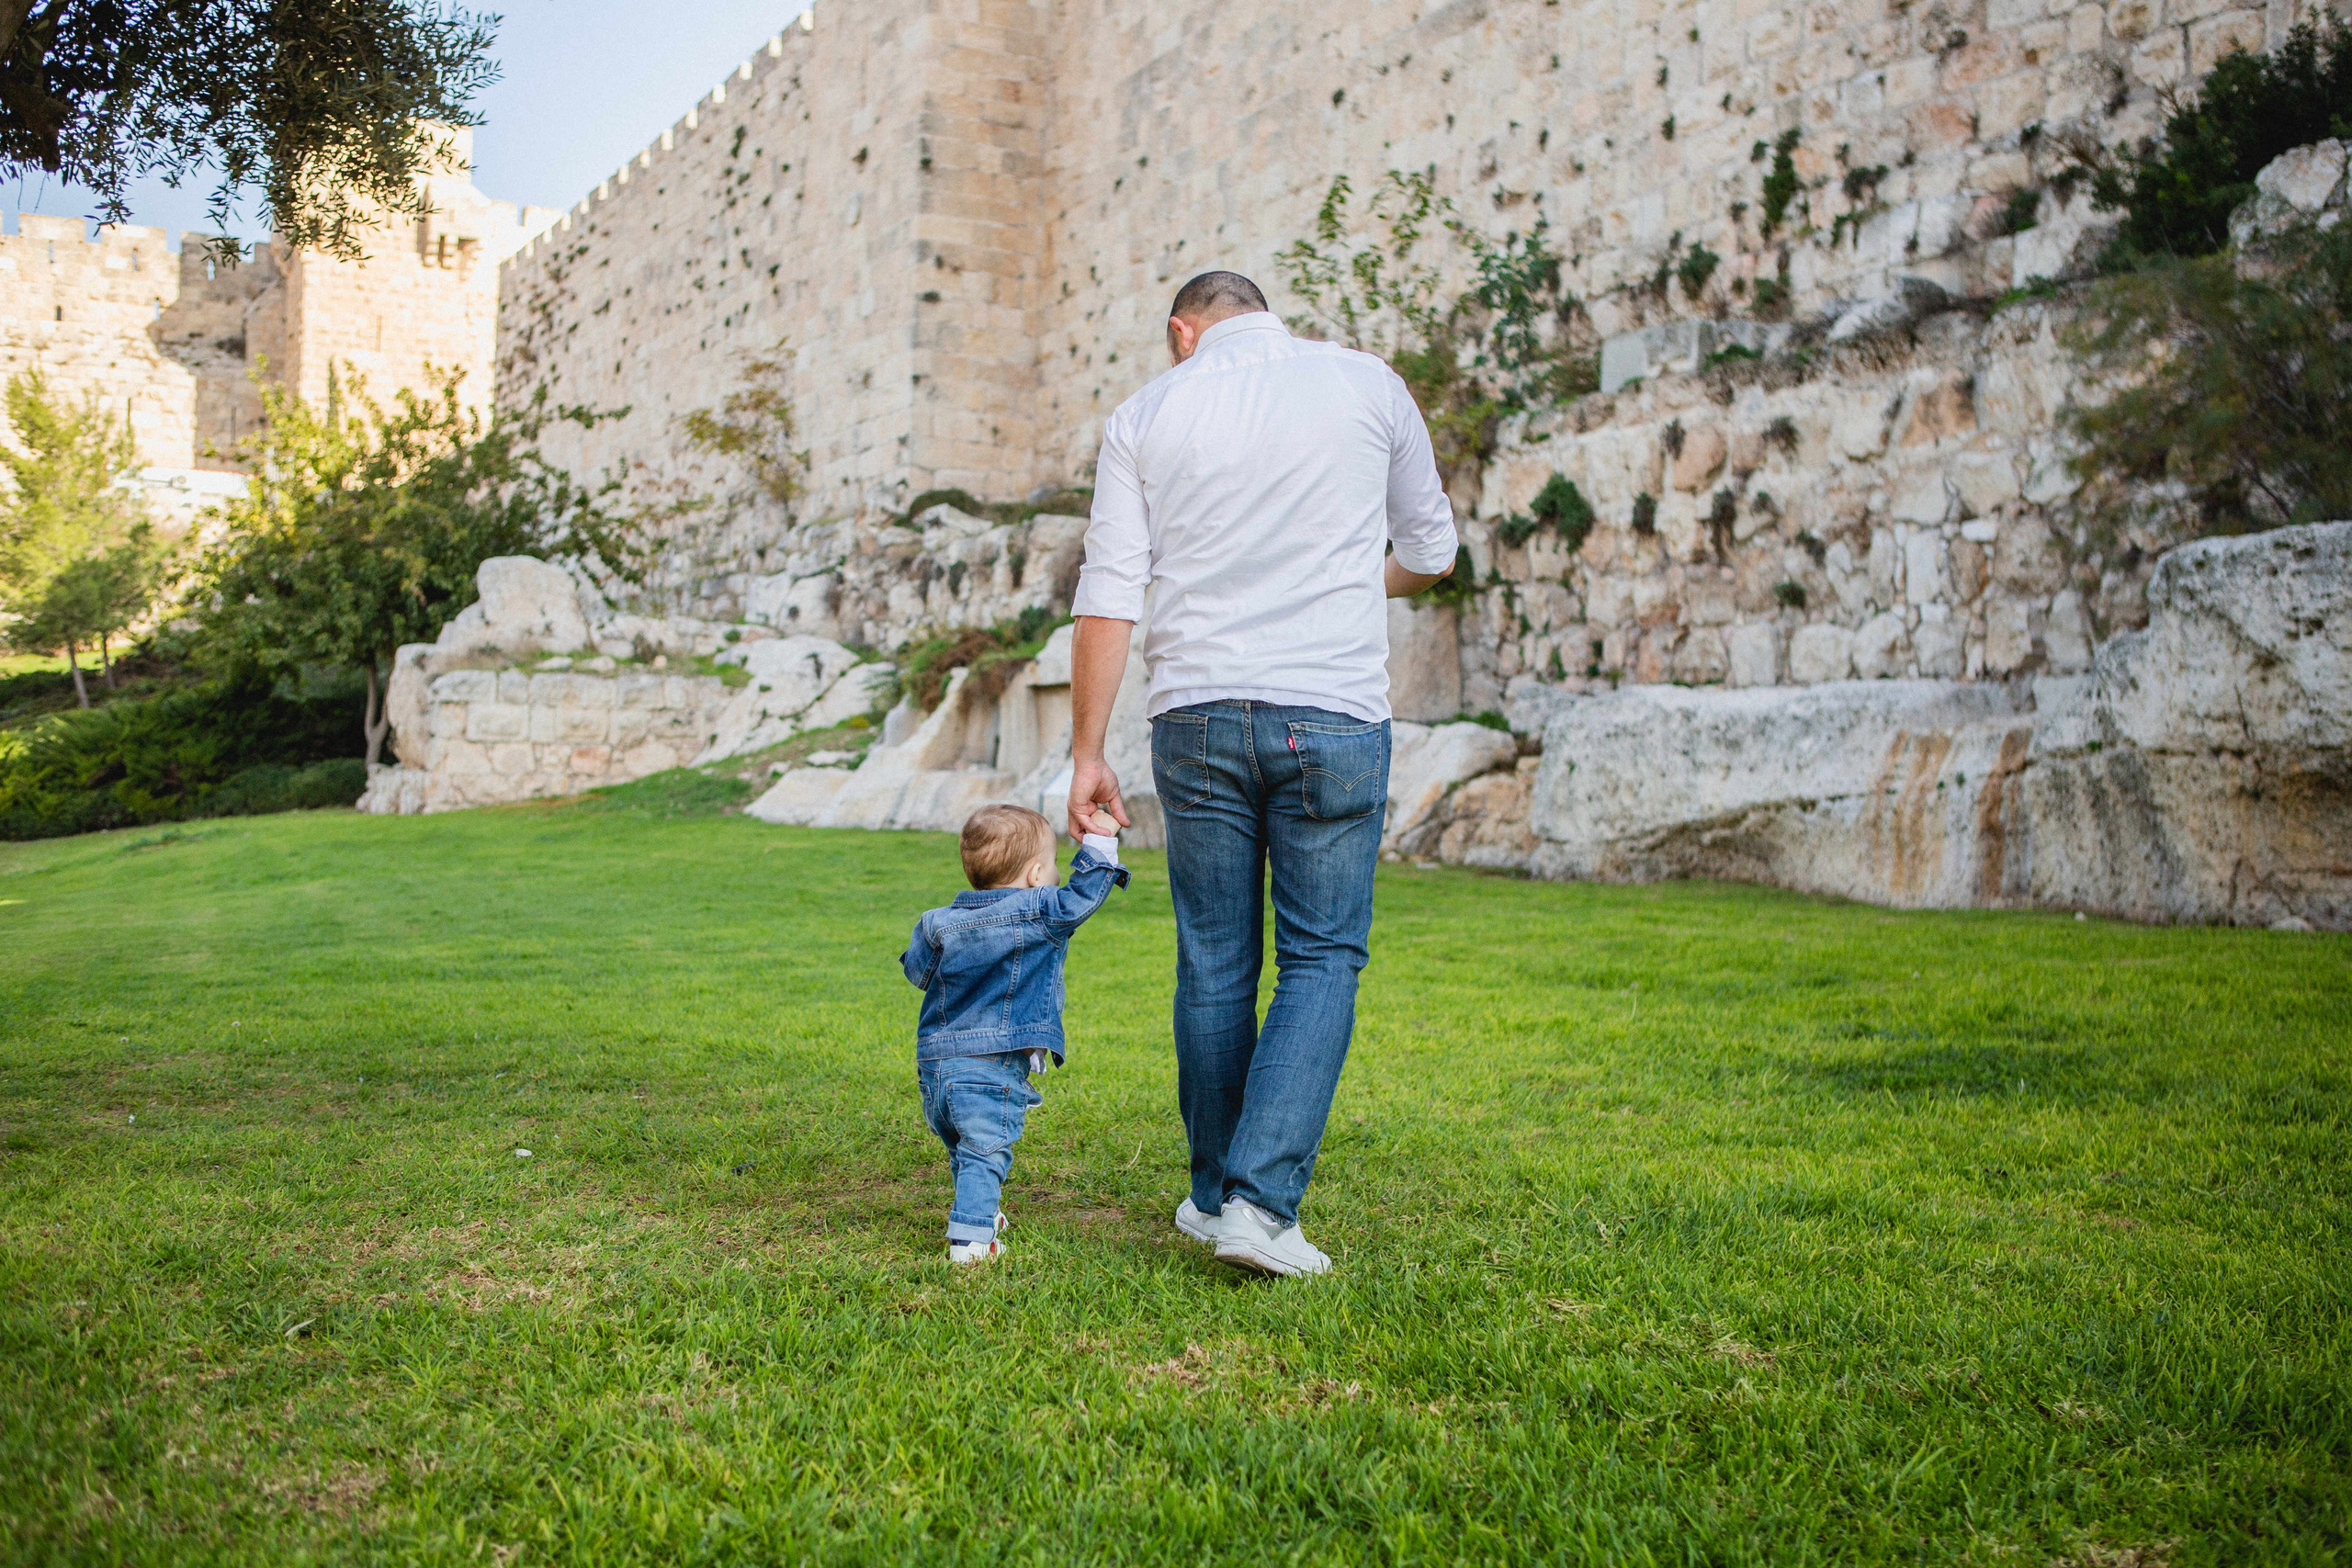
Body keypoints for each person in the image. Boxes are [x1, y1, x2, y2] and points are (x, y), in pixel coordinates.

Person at [1064, 269, 1458, 1277]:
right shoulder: (1368, 383)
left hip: (1192, 714)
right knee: (1322, 955)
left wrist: (1085, 751)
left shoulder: (1146, 411)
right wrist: (1343, 580)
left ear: (1180, 332)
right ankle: (1260, 1205)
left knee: (1214, 958)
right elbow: (1432, 549)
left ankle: (1211, 1196)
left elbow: (1109, 590)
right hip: (1330, 711)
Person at [901, 803, 1128, 1265]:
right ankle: (970, 1244)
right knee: (987, 1150)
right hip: (990, 1064)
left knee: (966, 1148)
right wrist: (1100, 842)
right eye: (1054, 867)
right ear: (1035, 873)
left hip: (936, 1067)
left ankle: (979, 1213)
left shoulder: (936, 921)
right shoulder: (1040, 911)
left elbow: (918, 974)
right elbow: (1082, 897)